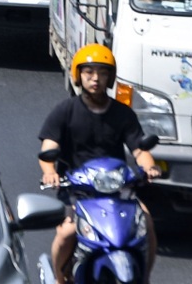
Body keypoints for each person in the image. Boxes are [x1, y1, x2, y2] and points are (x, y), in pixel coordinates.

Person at [38, 44, 161, 284]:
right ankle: (59, 278)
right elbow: (48, 148)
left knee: (146, 223)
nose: (95, 78)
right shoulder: (65, 111)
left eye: (102, 72)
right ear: (78, 75)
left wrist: (148, 167)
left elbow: (140, 149)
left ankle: (144, 277)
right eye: (89, 72)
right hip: (78, 190)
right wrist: (50, 173)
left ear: (110, 77)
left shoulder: (122, 113)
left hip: (118, 188)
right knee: (66, 232)